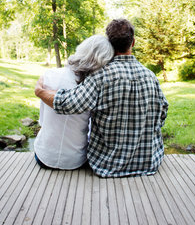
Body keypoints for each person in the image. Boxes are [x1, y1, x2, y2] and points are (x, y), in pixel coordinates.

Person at [35, 19, 169, 177]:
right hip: (149, 163)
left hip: (108, 165)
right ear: (133, 42)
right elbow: (162, 112)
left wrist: (40, 91)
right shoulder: (151, 76)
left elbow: (67, 104)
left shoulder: (101, 77)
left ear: (110, 45)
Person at [33, 34, 114, 170]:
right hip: (76, 160)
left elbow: (42, 121)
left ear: (82, 49)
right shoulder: (95, 88)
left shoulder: (49, 75)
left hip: (44, 156)